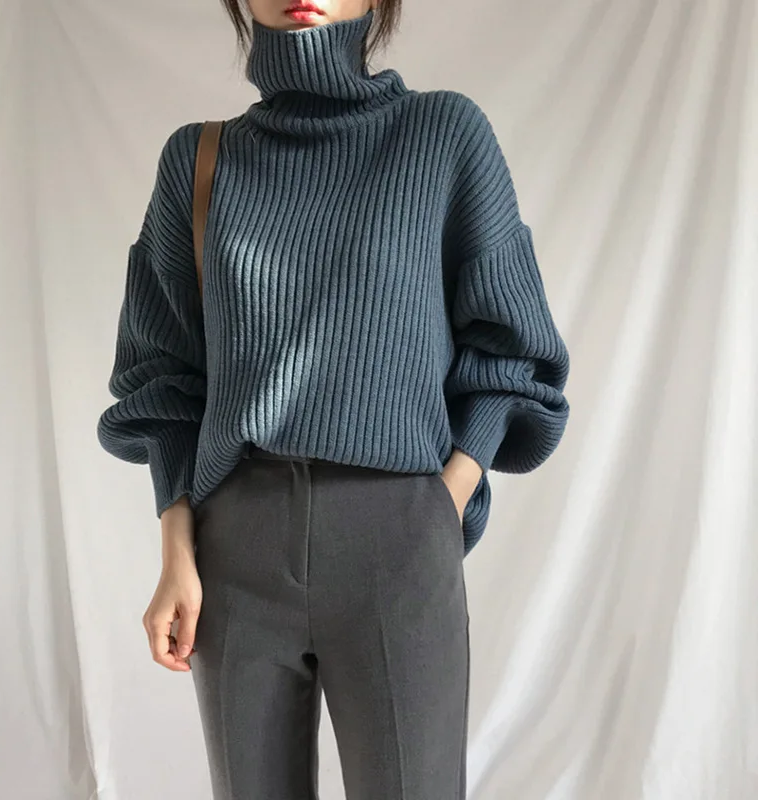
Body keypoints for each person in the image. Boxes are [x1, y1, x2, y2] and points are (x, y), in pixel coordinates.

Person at [96, 1, 571, 797]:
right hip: (235, 548)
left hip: (397, 538)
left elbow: (513, 346)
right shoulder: (200, 160)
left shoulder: (442, 136)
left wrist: (440, 503)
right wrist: (177, 552)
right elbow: (165, 377)